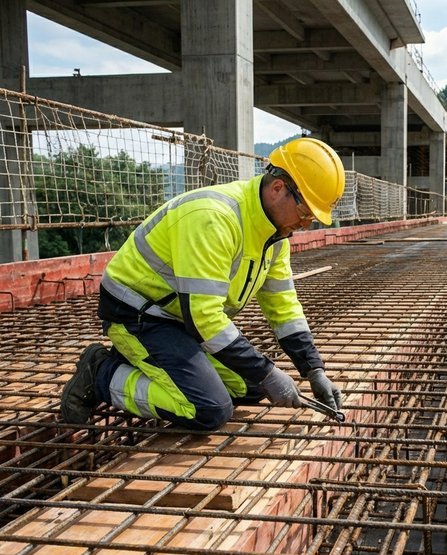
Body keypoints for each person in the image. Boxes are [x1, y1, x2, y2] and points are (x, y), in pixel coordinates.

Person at [61, 137, 345, 431]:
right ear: (278, 189)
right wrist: (269, 373)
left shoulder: (273, 238)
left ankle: (152, 361)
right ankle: (101, 374)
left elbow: (283, 307)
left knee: (251, 386)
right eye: (305, 213)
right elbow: (205, 318)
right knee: (209, 407)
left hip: (180, 318)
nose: (306, 224)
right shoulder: (214, 218)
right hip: (139, 314)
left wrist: (314, 370)